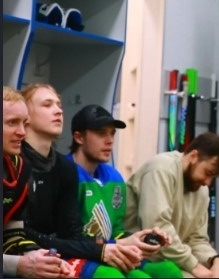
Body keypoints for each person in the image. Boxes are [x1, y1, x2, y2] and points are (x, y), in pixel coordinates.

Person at [21, 83, 144, 278]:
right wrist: (102, 250)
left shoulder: (65, 167)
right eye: (47, 105)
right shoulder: (15, 163)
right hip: (22, 255)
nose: (58, 110)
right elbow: (21, 233)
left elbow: (71, 234)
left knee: (152, 272)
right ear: (25, 117)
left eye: (59, 105)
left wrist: (114, 245)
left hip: (58, 253)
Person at [67, 104, 181, 278]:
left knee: (168, 271)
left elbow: (117, 230)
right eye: (101, 133)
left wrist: (141, 238)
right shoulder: (66, 174)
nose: (110, 140)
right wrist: (117, 244)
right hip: (78, 254)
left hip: (112, 249)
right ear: (79, 137)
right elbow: (67, 237)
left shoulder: (114, 177)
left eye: (112, 133)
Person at [124, 132, 219, 278]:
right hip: (140, 259)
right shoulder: (161, 169)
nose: (208, 182)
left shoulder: (202, 190)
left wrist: (215, 260)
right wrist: (193, 266)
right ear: (193, 156)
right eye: (208, 173)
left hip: (173, 260)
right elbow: (158, 228)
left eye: (213, 177)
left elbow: (197, 239)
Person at [3, 86, 69, 278]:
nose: (22, 132)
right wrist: (19, 265)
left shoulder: (19, 168)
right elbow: (18, 266)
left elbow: (12, 235)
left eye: (24, 123)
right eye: (12, 123)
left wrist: (37, 257)